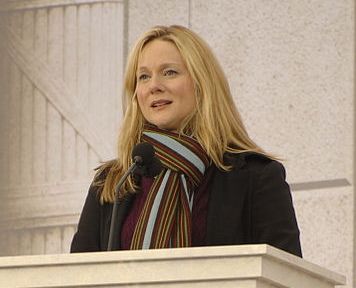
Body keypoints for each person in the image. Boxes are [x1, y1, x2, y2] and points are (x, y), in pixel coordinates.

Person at [70, 25, 302, 256]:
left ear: (202, 83)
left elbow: (286, 281)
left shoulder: (256, 177)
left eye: (169, 72)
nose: (154, 86)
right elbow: (78, 281)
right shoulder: (114, 180)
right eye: (144, 76)